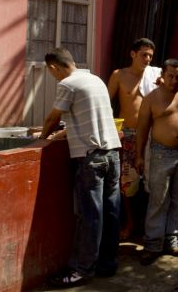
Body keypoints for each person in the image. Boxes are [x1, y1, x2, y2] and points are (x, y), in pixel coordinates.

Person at [39, 48, 122, 288]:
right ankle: (107, 264)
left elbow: (52, 118)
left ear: (54, 67)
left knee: (90, 216)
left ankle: (81, 269)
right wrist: (65, 132)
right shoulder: (95, 79)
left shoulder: (68, 84)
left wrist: (41, 139)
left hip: (91, 159)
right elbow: (89, 118)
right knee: (110, 212)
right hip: (112, 155)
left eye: (51, 72)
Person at [134, 58, 178, 265]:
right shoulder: (151, 99)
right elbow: (142, 129)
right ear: (162, 76)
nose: (175, 80)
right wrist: (138, 155)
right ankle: (152, 244)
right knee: (158, 200)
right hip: (160, 154)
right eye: (171, 76)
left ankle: (171, 240)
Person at [107, 37, 162, 240]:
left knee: (152, 181)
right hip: (128, 135)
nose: (147, 59)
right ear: (133, 54)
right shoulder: (119, 76)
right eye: (143, 55)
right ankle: (129, 223)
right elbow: (105, 103)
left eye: (150, 56)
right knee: (127, 182)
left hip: (150, 134)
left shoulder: (156, 76)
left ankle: (149, 226)